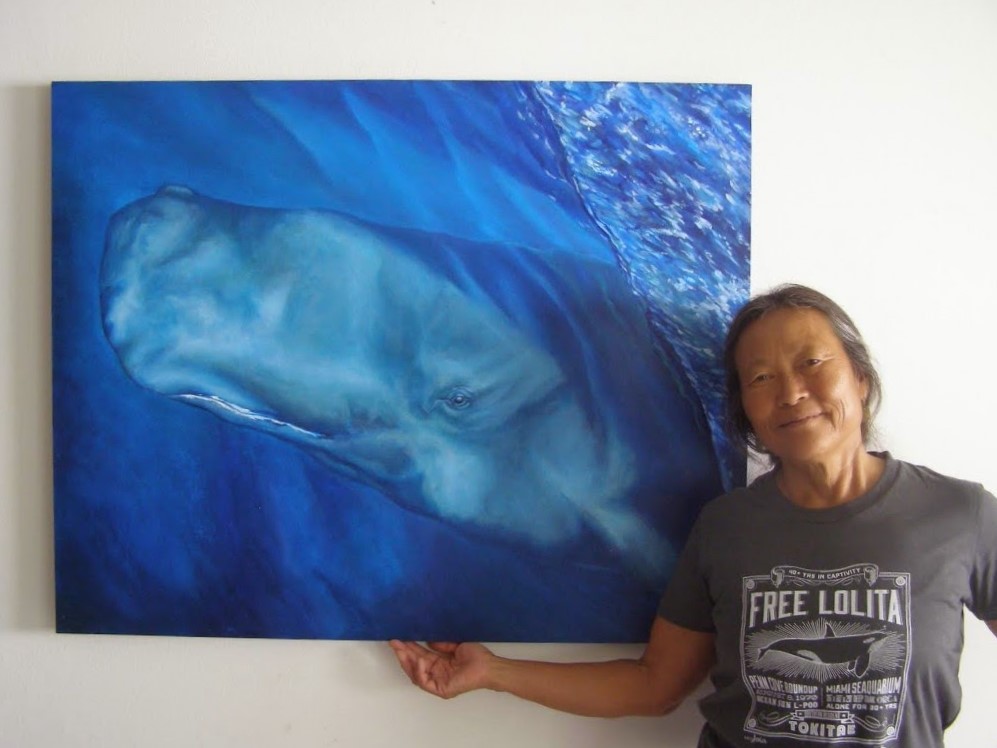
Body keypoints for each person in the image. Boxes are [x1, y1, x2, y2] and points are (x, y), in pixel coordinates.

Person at [390, 283, 997, 747]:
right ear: (746, 411)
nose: (790, 392)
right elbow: (654, 686)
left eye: (812, 363)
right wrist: (493, 672)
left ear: (860, 378)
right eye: (761, 377)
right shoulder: (725, 528)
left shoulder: (960, 513)